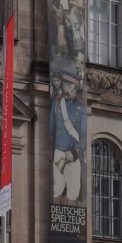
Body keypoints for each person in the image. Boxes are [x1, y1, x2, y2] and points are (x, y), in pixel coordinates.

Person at [49, 73, 83, 202]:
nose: (65, 87)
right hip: (58, 152)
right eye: (64, 84)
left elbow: (84, 136)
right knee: (56, 191)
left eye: (68, 85)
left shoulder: (81, 107)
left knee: (73, 192)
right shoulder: (57, 104)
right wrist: (50, 152)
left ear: (74, 86)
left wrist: (75, 152)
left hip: (73, 155)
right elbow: (51, 129)